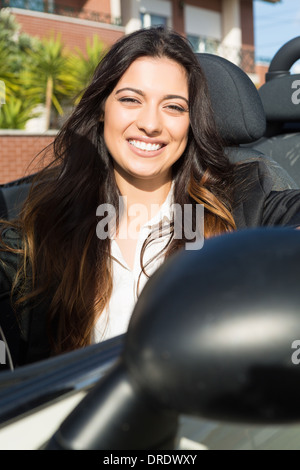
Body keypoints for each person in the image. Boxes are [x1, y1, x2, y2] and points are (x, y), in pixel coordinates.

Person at [1, 26, 300, 368]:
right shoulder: (45, 222)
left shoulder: (247, 196)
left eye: (173, 107)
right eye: (131, 99)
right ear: (102, 108)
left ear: (192, 122)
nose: (150, 124)